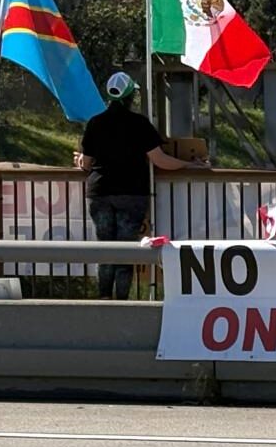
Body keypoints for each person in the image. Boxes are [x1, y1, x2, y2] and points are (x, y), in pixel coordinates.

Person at [74, 72, 201, 299]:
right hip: (131, 193)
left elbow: (87, 163)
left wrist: (80, 161)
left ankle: (103, 299)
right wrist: (190, 165)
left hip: (99, 192)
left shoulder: (95, 123)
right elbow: (160, 160)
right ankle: (122, 302)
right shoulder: (140, 124)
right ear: (130, 96)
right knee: (126, 250)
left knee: (104, 247)